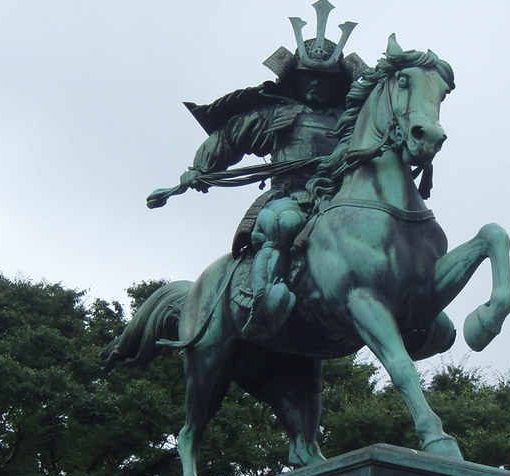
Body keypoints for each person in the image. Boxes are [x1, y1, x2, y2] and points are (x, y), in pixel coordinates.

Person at [148, 2, 366, 341]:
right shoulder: (276, 113)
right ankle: (263, 301)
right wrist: (200, 168)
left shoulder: (350, 119)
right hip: (289, 196)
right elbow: (230, 136)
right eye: (308, 78)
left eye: (323, 80)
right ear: (295, 79)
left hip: (340, 198)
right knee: (283, 223)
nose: (315, 86)